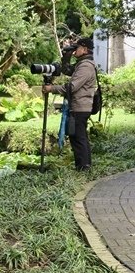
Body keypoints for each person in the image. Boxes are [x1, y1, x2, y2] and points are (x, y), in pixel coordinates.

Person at [42, 36, 97, 171]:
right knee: (77, 137)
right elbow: (66, 71)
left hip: (80, 108)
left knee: (78, 138)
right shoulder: (82, 64)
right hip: (78, 107)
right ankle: (83, 166)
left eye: (76, 48)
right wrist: (66, 56)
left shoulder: (86, 67)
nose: (74, 51)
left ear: (84, 49)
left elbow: (71, 87)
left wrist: (51, 89)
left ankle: (83, 167)